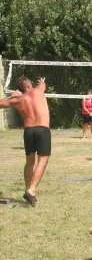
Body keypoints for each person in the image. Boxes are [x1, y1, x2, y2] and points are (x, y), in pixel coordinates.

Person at [0, 76, 50, 206]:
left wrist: (12, 96)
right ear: (28, 86)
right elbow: (42, 85)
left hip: (28, 131)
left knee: (29, 161)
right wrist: (42, 82)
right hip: (42, 129)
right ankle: (32, 190)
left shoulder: (18, 99)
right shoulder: (39, 91)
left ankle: (28, 189)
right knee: (43, 160)